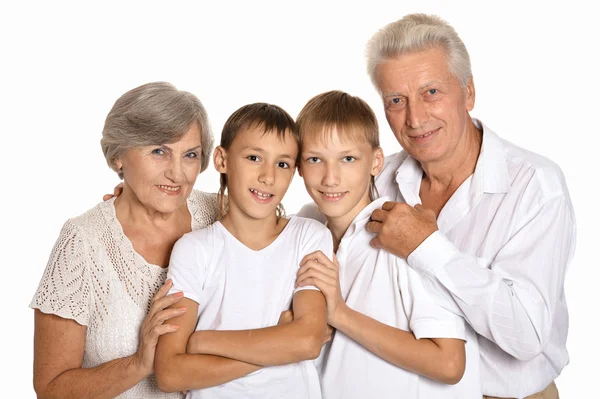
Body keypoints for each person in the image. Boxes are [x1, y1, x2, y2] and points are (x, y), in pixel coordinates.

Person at [363, 14, 575, 399]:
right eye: (397, 101)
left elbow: (526, 333)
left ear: (468, 92)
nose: (415, 118)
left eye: (431, 93)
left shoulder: (535, 185)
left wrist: (425, 247)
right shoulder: (378, 179)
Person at [30, 82, 220, 398]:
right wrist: (139, 363)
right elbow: (51, 389)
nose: (177, 173)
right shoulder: (83, 243)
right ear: (119, 156)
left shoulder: (219, 216)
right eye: (159, 151)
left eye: (190, 155)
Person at [295, 90, 481, 399]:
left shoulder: (406, 236)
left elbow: (449, 363)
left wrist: (339, 313)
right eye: (315, 159)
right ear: (299, 166)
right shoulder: (307, 232)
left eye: (348, 159)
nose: (330, 178)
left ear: (376, 161)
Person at [153, 103, 333, 398]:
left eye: (283, 164)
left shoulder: (309, 237)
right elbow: (170, 374)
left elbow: (307, 342)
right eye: (253, 158)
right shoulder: (194, 250)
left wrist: (202, 342)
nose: (268, 176)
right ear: (222, 160)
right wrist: (278, 340)